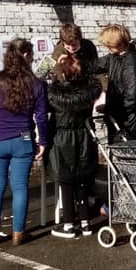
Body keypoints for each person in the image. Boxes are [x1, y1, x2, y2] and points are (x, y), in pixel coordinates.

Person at [0, 38, 48, 247]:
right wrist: (42, 141)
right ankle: (18, 233)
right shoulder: (37, 84)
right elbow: (41, 117)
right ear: (26, 56)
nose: (34, 58)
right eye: (32, 55)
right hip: (22, 139)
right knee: (20, 187)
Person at [46, 55, 102, 238]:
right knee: (82, 179)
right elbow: (96, 84)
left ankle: (69, 224)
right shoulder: (88, 93)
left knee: (66, 180)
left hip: (62, 137)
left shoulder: (55, 94)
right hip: (84, 135)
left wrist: (56, 67)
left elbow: (41, 84)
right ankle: (85, 222)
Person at [93, 24, 136, 143]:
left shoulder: (132, 66)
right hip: (115, 116)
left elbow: (131, 100)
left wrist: (109, 108)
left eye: (109, 44)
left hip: (126, 121)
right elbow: (93, 66)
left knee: (123, 154)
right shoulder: (114, 57)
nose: (107, 47)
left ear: (119, 43)